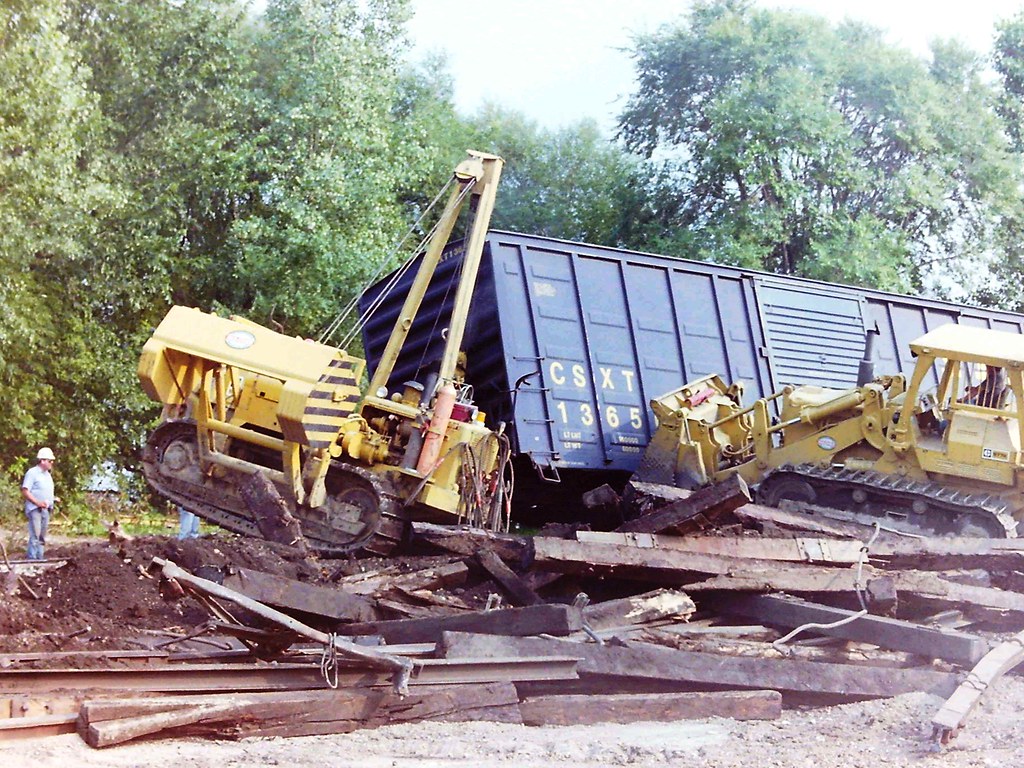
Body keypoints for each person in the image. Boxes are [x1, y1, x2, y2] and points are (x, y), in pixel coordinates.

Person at [21, 447, 59, 560]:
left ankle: (40, 559)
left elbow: (44, 491)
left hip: (45, 509)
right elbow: (25, 490)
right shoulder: (32, 473)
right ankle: (32, 559)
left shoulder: (47, 475)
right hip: (35, 509)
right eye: (49, 461)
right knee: (35, 536)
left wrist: (53, 499)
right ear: (42, 460)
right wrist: (37, 502)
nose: (51, 463)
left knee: (42, 536)